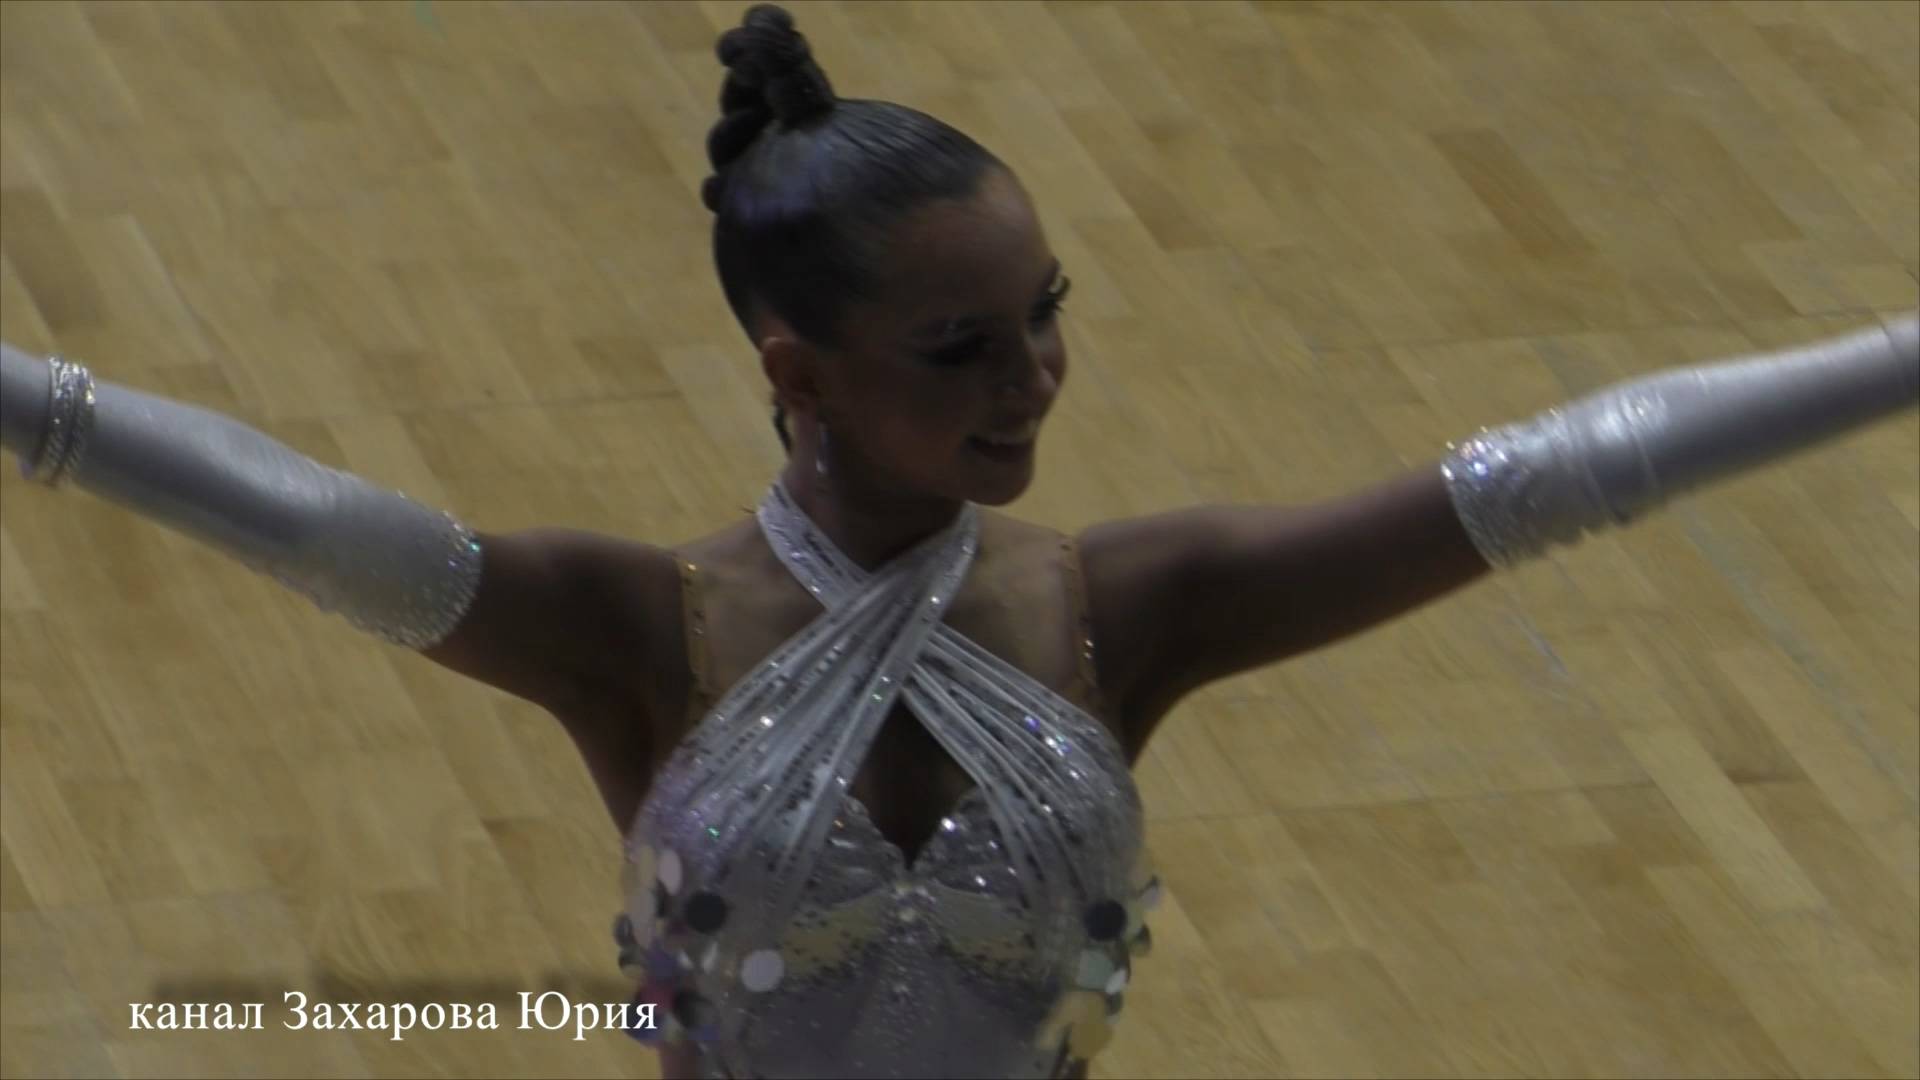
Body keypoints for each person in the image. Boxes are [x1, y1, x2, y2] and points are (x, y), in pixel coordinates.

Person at [1, 4, 1915, 1078]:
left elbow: (1550, 477)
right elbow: (286, 508)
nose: (1035, 380)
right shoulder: (635, 630)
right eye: (962, 348)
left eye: (1046, 314)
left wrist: (1901, 358)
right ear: (798, 372)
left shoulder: (1128, 611)